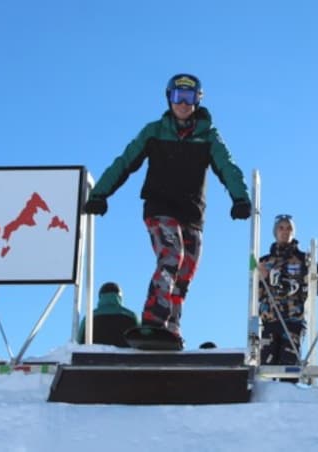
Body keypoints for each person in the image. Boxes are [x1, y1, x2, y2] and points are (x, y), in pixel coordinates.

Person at [83, 73, 251, 341]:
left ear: (198, 101)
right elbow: (124, 162)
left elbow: (227, 166)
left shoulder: (208, 136)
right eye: (177, 97)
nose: (183, 104)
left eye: (189, 98)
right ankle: (154, 321)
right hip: (160, 208)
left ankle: (171, 328)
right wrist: (101, 194)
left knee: (185, 273)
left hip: (192, 213)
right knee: (172, 256)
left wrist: (240, 198)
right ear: (169, 99)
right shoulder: (154, 132)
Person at [257, 214, 318, 366]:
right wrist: (261, 279)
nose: (285, 231)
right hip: (270, 321)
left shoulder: (305, 260)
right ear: (275, 231)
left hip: (293, 321)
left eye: (289, 228)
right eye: (281, 227)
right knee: (266, 371)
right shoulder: (263, 262)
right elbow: (256, 294)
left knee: (289, 370)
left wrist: (276, 279)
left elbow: (310, 289)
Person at [77, 282, 139, 348]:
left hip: (93, 357)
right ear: (120, 297)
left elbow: (78, 344)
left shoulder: (89, 317)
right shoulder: (131, 316)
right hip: (126, 357)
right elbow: (140, 340)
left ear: (100, 297)